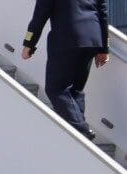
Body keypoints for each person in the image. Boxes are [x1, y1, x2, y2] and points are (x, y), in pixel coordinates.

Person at [21, 0, 112, 139]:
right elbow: (103, 14)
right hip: (92, 40)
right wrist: (105, 48)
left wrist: (29, 43)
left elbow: (40, 14)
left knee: (55, 88)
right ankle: (79, 134)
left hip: (67, 39)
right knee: (75, 91)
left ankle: (82, 131)